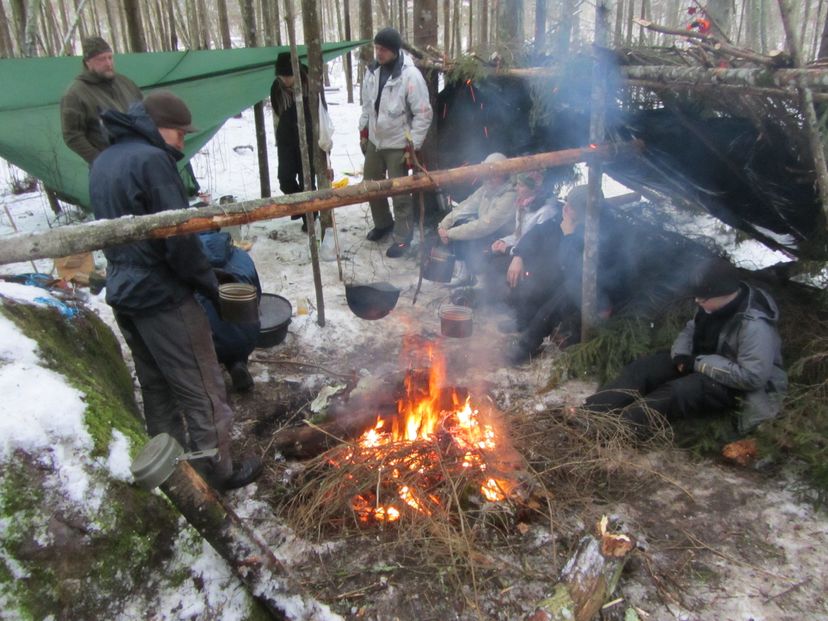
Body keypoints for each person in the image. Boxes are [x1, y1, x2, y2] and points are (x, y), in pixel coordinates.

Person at [89, 90, 262, 491]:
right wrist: (209, 283)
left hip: (123, 288)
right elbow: (178, 238)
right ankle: (219, 471)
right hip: (161, 294)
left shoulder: (105, 159)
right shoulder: (152, 161)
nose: (183, 141)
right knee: (202, 385)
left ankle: (170, 469)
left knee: (155, 384)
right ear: (159, 127)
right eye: (180, 132)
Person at [583, 258, 787, 438]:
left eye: (702, 298)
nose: (697, 301)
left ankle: (617, 429)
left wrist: (697, 363)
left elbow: (753, 377)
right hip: (702, 364)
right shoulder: (711, 306)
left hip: (734, 387)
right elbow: (691, 329)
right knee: (643, 369)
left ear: (724, 293)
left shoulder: (755, 325)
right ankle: (589, 413)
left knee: (677, 392)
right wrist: (681, 355)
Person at [504, 185, 614, 363]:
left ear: (585, 212)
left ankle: (527, 346)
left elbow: (575, 270)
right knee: (537, 273)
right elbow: (537, 233)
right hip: (570, 280)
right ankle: (524, 319)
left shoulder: (602, 233)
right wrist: (518, 255)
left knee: (564, 290)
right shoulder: (569, 218)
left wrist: (569, 234)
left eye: (571, 207)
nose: (565, 208)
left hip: (597, 295)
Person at [359, 27, 433, 258]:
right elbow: (367, 106)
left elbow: (423, 113)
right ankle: (383, 224)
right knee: (370, 185)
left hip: (398, 143)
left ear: (394, 50)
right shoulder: (372, 71)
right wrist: (363, 130)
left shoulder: (410, 76)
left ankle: (403, 237)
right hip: (375, 140)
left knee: (400, 192)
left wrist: (413, 146)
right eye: (376, 48)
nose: (378, 53)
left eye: (383, 49)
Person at [195, 230, 261, 393]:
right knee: (236, 325)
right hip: (247, 338)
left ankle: (207, 382)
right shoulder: (241, 256)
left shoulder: (185, 265)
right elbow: (257, 296)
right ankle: (237, 363)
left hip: (206, 342)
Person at [437, 152, 517, 285]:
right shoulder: (486, 189)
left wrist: (450, 234)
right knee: (460, 223)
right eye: (487, 175)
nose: (489, 179)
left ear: (504, 174)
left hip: (501, 235)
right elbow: (466, 206)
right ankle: (463, 273)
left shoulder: (510, 195)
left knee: (471, 237)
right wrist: (444, 224)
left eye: (494, 175)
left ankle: (481, 281)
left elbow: (485, 226)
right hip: (485, 229)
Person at [60, 36, 142, 164]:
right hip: (110, 166)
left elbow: (145, 115)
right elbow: (72, 136)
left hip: (140, 158)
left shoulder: (125, 83)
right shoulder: (75, 94)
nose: (108, 64)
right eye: (101, 59)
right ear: (88, 62)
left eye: (110, 57)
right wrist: (100, 160)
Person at [270, 52, 317, 232]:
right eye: (282, 76)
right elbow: (277, 109)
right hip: (286, 138)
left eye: (288, 76)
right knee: (285, 178)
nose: (285, 80)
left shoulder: (308, 82)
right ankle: (302, 207)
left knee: (308, 179)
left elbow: (319, 111)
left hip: (308, 136)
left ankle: (310, 218)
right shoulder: (276, 88)